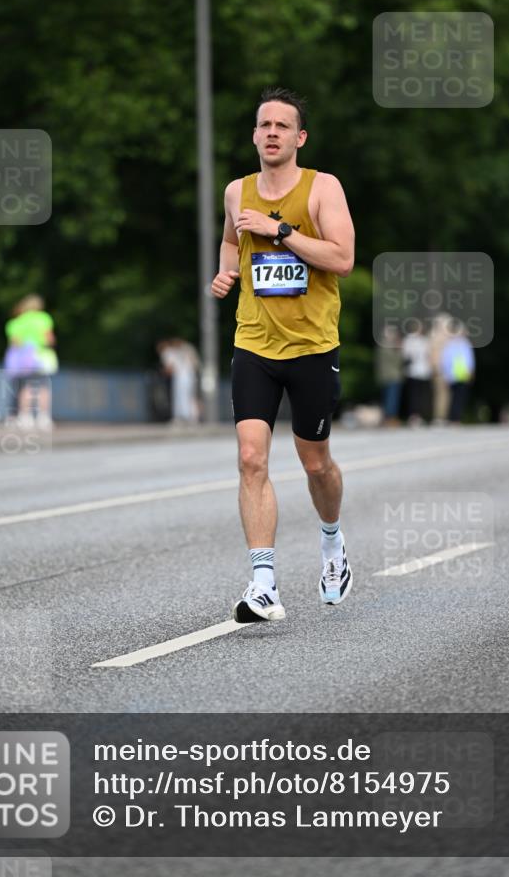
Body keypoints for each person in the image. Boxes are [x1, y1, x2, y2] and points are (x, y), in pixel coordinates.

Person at [211, 87, 355, 622]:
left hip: (313, 346)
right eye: (263, 124)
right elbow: (232, 239)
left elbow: (342, 258)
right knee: (251, 458)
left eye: (281, 126)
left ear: (299, 138)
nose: (271, 133)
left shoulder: (323, 188)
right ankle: (264, 581)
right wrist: (227, 270)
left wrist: (281, 230)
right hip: (253, 342)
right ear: (254, 135)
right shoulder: (236, 192)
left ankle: (332, 541)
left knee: (315, 463)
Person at [4, 295, 57, 430]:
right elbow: (49, 338)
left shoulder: (16, 321)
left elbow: (15, 342)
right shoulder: (43, 318)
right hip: (41, 355)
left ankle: (25, 416)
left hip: (24, 357)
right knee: (43, 387)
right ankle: (43, 418)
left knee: (25, 387)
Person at [157, 337, 200, 423]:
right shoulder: (183, 350)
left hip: (181, 376)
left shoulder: (169, 352)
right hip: (188, 375)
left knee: (181, 396)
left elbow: (171, 368)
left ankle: (184, 416)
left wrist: (162, 372)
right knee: (189, 396)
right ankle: (191, 416)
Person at [441, 321, 475, 423]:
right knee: (454, 398)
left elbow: (470, 360)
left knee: (460, 398)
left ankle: (457, 418)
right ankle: (453, 418)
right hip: (453, 376)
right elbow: (446, 360)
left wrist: (471, 372)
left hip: (463, 375)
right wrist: (446, 374)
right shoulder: (451, 344)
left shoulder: (465, 343)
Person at [402, 320, 432, 425]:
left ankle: (419, 415)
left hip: (423, 371)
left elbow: (428, 355)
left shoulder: (424, 340)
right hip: (413, 371)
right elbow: (406, 355)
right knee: (413, 395)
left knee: (421, 396)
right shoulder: (409, 340)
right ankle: (413, 416)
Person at [375, 324, 403, 425]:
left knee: (386, 397)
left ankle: (386, 418)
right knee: (392, 398)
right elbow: (397, 360)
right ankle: (390, 418)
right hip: (393, 375)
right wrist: (399, 349)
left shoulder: (381, 344)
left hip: (384, 375)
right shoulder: (390, 345)